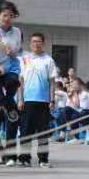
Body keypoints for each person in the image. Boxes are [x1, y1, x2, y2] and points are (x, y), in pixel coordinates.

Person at [17, 33, 58, 168]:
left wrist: (52, 100)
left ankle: (43, 159)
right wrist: (20, 99)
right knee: (25, 131)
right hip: (28, 100)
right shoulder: (25, 59)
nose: (36, 44)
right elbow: (20, 81)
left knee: (43, 132)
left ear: (43, 43)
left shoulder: (48, 60)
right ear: (30, 43)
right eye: (33, 41)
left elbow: (52, 82)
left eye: (38, 41)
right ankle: (24, 158)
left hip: (43, 101)